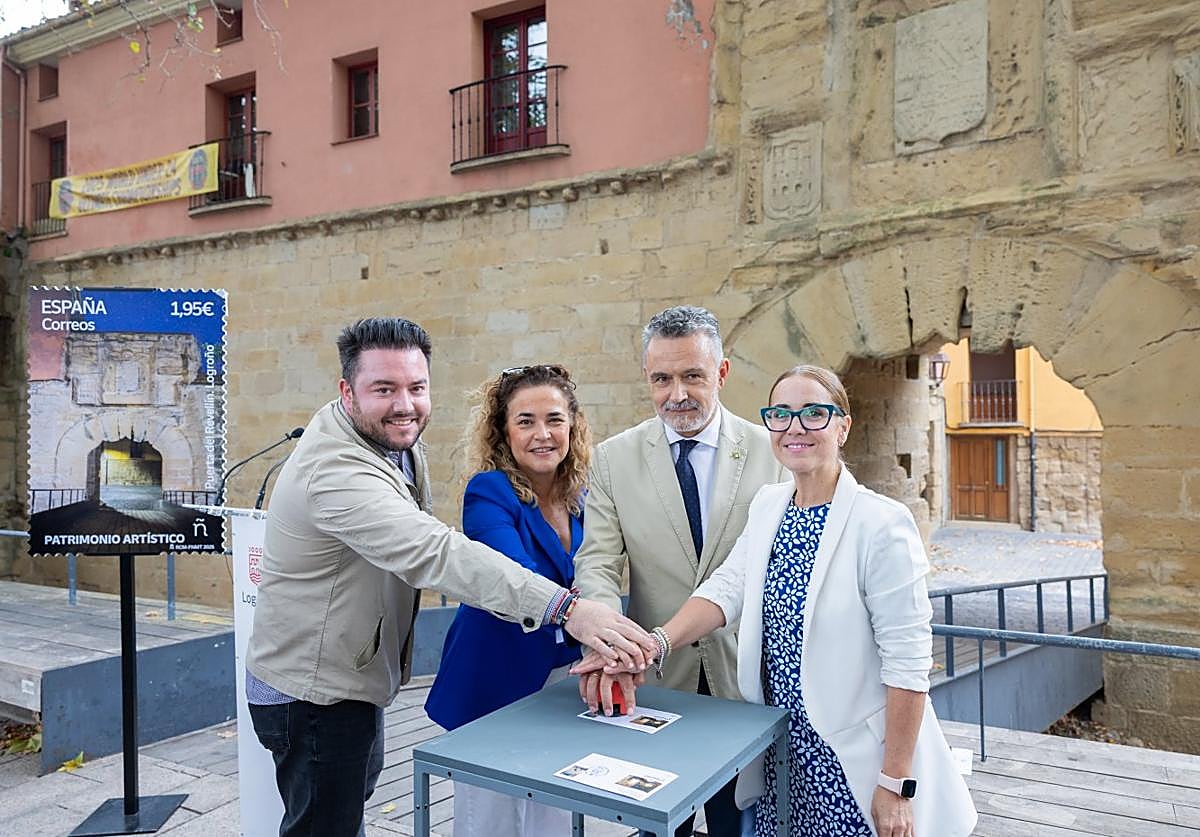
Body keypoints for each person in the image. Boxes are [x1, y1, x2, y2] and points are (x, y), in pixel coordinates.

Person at [245, 318, 655, 837]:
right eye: (384, 389)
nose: (405, 404)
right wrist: (570, 610)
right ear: (347, 391)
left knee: (345, 810)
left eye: (416, 388)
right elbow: (435, 552)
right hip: (311, 690)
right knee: (324, 826)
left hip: (350, 676)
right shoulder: (335, 470)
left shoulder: (392, 442)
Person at [577, 365, 977, 837]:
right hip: (783, 754)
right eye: (781, 415)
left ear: (843, 426)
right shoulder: (769, 506)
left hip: (853, 760)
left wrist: (894, 783)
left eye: (814, 413)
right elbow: (725, 588)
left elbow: (908, 666)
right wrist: (656, 644)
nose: (795, 428)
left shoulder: (881, 524)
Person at [572, 305, 785, 837]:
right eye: (662, 379)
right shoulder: (613, 459)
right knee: (659, 826)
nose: (677, 394)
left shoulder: (774, 452)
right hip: (655, 676)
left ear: (722, 373)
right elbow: (597, 562)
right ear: (647, 377)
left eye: (692, 375)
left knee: (740, 823)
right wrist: (605, 640)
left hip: (750, 676)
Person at [425, 364, 591, 835]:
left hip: (563, 677)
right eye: (526, 421)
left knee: (554, 815)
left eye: (555, 419)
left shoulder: (582, 493)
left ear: (572, 424)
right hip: (495, 681)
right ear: (503, 432)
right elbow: (517, 579)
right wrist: (583, 607)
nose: (543, 434)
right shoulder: (489, 491)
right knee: (492, 822)